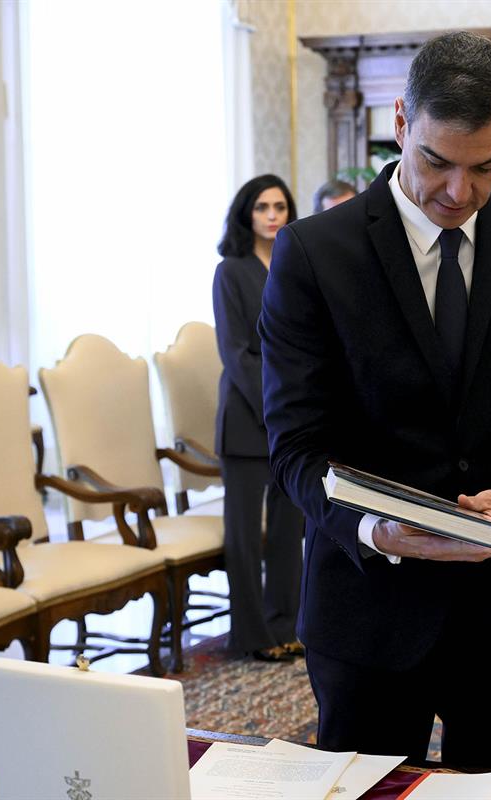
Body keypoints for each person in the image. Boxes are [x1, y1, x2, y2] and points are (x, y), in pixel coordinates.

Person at [259, 31, 491, 768]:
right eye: (437, 162)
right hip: (366, 610)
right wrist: (374, 529)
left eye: (486, 167)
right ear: (399, 124)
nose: (459, 192)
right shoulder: (316, 253)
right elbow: (294, 443)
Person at [213, 174, 306, 662]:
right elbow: (236, 353)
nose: (272, 215)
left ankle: (286, 626)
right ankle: (251, 634)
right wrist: (276, 408)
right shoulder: (231, 271)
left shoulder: (295, 265)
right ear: (247, 214)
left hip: (290, 418)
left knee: (290, 531)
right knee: (246, 536)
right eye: (262, 207)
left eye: (280, 206)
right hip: (248, 419)